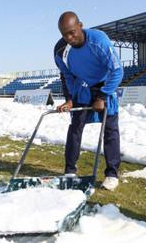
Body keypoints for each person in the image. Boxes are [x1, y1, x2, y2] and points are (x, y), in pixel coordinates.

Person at [54, 11, 123, 191]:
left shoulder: (99, 41)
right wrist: (69, 99)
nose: (69, 37)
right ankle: (69, 170)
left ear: (80, 26)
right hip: (82, 88)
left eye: (72, 32)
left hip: (104, 86)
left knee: (110, 130)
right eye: (64, 34)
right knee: (75, 128)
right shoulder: (60, 51)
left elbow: (117, 71)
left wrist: (102, 96)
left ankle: (111, 174)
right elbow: (67, 76)